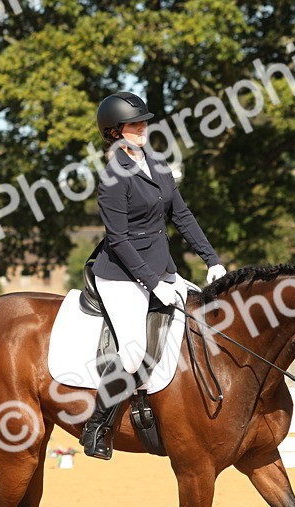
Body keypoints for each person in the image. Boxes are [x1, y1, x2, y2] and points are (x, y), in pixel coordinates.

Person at [79, 91, 227, 460]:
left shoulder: (158, 166)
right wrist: (153, 282)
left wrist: (212, 260)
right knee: (132, 356)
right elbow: (119, 239)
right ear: (114, 132)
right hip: (121, 276)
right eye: (134, 124)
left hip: (163, 268)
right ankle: (97, 425)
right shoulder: (113, 178)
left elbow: (183, 216)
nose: (142, 127)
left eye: (144, 121)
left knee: (207, 322)